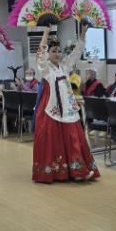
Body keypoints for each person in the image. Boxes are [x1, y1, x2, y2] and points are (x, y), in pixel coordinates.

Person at [32, 25, 100, 183]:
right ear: (48, 53)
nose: (57, 54)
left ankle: (78, 170)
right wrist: (46, 32)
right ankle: (55, 172)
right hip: (51, 110)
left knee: (74, 139)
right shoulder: (45, 69)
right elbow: (40, 55)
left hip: (68, 110)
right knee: (53, 141)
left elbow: (76, 52)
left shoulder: (65, 66)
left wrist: (83, 34)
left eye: (59, 51)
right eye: (53, 51)